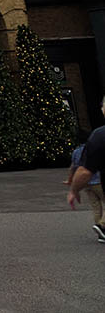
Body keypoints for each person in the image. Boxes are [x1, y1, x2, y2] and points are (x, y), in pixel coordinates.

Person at [66, 95, 105, 241]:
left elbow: (77, 168)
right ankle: (102, 226)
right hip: (98, 183)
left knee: (96, 206)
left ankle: (100, 226)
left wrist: (72, 186)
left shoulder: (95, 139)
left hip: (88, 184)